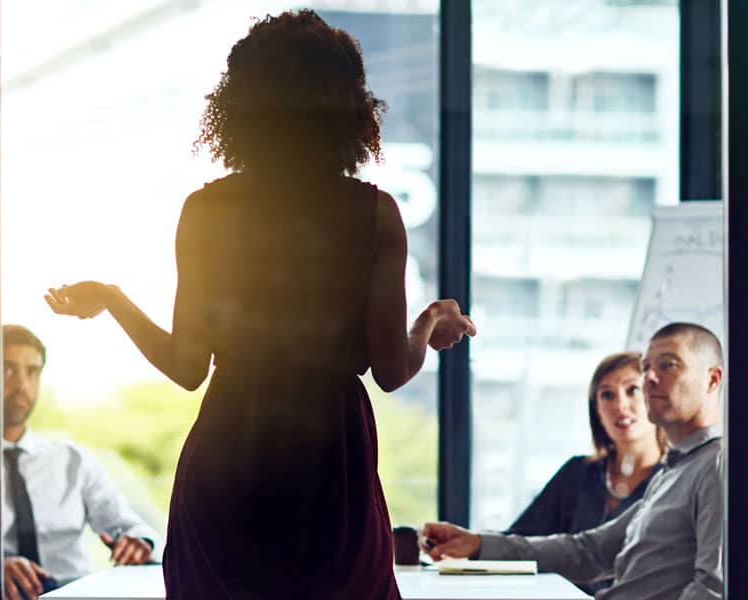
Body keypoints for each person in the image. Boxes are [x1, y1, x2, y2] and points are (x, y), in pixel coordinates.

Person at [43, 10, 476, 599]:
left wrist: (114, 299)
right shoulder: (375, 216)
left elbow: (187, 367)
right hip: (331, 475)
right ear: (346, 106)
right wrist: (429, 323)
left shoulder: (205, 213)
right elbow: (392, 370)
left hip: (225, 469)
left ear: (242, 104)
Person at [421, 322, 724, 599]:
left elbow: (713, 589)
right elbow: (590, 551)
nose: (651, 379)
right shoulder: (675, 470)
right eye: (646, 368)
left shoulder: (718, 465)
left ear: (712, 379)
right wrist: (478, 544)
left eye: (669, 365)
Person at [0, 325, 159, 600]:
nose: (22, 384)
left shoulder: (73, 462)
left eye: (32, 372)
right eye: (8, 370)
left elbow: (128, 525)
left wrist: (139, 542)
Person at [503, 352, 667, 594]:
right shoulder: (578, 472)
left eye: (632, 390)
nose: (620, 405)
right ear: (596, 410)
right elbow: (519, 540)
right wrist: (469, 544)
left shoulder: (672, 480)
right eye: (607, 395)